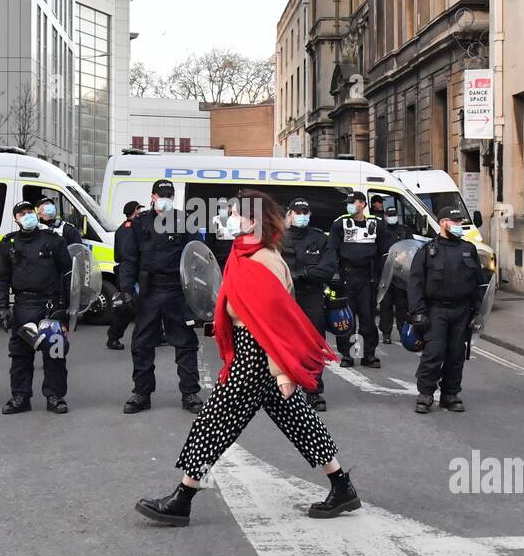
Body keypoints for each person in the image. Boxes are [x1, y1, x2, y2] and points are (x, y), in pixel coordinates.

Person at [136, 190, 358, 526]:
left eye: (237, 214)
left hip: (258, 354)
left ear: (253, 220)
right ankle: (342, 486)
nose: (232, 219)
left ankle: (183, 498)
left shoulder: (264, 260)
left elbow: (274, 323)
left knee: (213, 422)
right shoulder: (245, 253)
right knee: (299, 420)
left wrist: (282, 371)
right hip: (253, 349)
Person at [113, 179, 204, 414]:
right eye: (161, 195)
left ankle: (190, 393)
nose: (165, 199)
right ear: (152, 197)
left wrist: (199, 295)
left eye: (169, 195)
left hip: (177, 290)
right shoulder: (139, 224)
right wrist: (125, 290)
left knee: (185, 343)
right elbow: (128, 260)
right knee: (142, 344)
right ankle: (142, 393)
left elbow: (198, 257)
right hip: (149, 290)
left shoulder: (185, 221)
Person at [0, 201, 73, 414]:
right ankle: (20, 396)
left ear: (36, 215)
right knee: (20, 355)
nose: (27, 216)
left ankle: (55, 396)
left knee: (55, 353)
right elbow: (0, 277)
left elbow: (68, 274)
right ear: (16, 219)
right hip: (23, 306)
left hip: (50, 306)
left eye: (29, 212)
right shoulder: (8, 243)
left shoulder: (54, 241)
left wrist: (66, 307)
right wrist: (1, 306)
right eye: (22, 213)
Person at [407, 207, 486, 414]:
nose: (459, 226)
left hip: (461, 310)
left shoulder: (468, 249)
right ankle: (425, 394)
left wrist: (478, 311)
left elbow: (479, 283)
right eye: (455, 222)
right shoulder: (428, 251)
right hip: (436, 310)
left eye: (460, 222)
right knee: (433, 353)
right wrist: (418, 311)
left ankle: (450, 394)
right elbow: (415, 283)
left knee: (456, 354)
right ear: (443, 223)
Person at [280, 198, 335, 411]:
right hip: (284, 297)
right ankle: (283, 388)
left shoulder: (319, 238)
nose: (302, 215)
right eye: (297, 211)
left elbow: (327, 269)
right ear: (290, 214)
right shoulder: (278, 238)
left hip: (312, 296)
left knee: (313, 344)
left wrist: (302, 274)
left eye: (305, 211)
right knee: (284, 343)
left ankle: (313, 390)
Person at [329, 190, 388, 368]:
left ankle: (366, 354)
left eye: (353, 202)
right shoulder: (340, 224)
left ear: (362, 204)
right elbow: (333, 251)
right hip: (347, 276)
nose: (349, 205)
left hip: (367, 277)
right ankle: (347, 355)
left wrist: (380, 277)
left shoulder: (376, 224)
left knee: (367, 317)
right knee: (347, 318)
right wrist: (336, 276)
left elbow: (383, 252)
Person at [106, 200, 143, 350]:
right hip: (131, 272)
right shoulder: (133, 229)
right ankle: (113, 337)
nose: (141, 212)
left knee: (144, 305)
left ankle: (157, 334)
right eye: (139, 209)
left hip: (127, 270)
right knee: (128, 308)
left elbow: (117, 255)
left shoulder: (121, 229)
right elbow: (130, 255)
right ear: (135, 211)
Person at [376, 200, 413, 344]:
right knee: (385, 305)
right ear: (385, 216)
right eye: (389, 214)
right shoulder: (382, 230)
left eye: (393, 214)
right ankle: (386, 333)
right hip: (386, 272)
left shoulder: (404, 230)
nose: (391, 217)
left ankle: (403, 331)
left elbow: (410, 247)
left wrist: (404, 256)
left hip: (401, 273)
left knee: (402, 305)